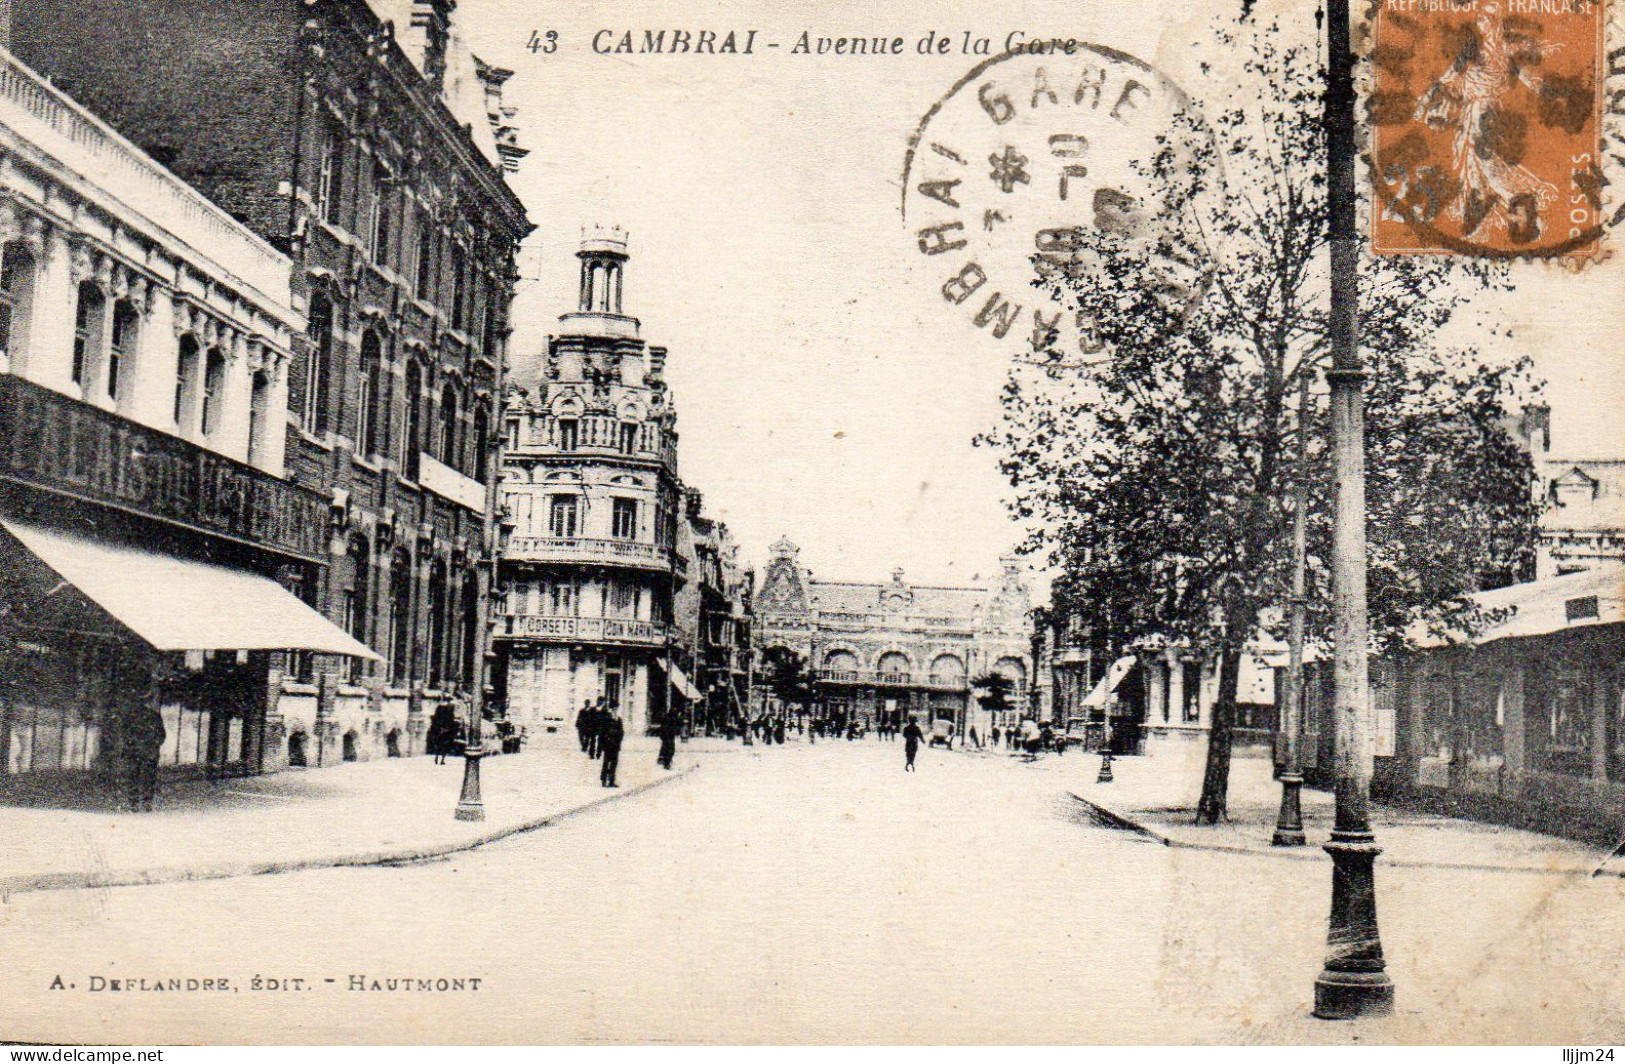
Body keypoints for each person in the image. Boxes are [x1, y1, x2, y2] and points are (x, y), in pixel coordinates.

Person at [124, 671, 168, 812]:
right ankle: (147, 802)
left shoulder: (131, 717)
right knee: (149, 776)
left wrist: (132, 744)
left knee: (134, 775)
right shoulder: (154, 716)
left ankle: (134, 802)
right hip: (149, 751)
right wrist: (153, 745)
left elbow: (126, 735)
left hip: (135, 751)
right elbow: (162, 735)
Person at [599, 710, 625, 787]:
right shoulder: (606, 719)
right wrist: (603, 744)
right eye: (613, 708)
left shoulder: (619, 719)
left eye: (616, 708)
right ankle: (604, 780)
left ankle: (611, 781)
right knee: (606, 763)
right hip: (608, 745)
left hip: (615, 745)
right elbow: (602, 732)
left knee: (614, 763)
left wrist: (618, 738)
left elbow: (621, 732)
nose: (615, 710)